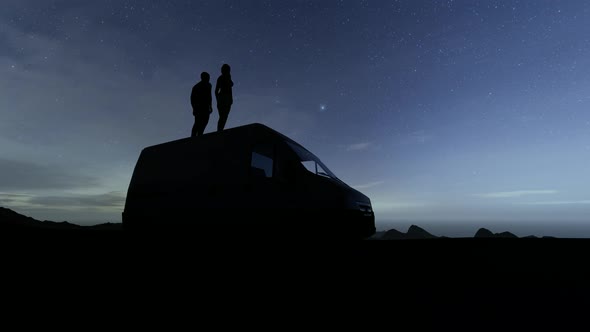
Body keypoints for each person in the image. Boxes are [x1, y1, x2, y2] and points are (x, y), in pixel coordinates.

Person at [190, 72, 212, 137]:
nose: (208, 79)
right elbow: (192, 98)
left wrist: (210, 106)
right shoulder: (196, 87)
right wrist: (194, 108)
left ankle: (200, 134)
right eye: (207, 77)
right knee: (197, 122)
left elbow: (209, 96)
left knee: (205, 121)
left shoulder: (209, 85)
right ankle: (193, 136)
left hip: (205, 106)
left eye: (208, 77)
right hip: (198, 107)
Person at [215, 64, 233, 132]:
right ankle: (219, 130)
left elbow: (229, 89)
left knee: (223, 116)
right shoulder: (222, 78)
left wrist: (230, 98)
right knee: (223, 116)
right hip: (223, 98)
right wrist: (218, 100)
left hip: (224, 98)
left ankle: (220, 130)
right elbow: (216, 90)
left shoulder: (227, 77)